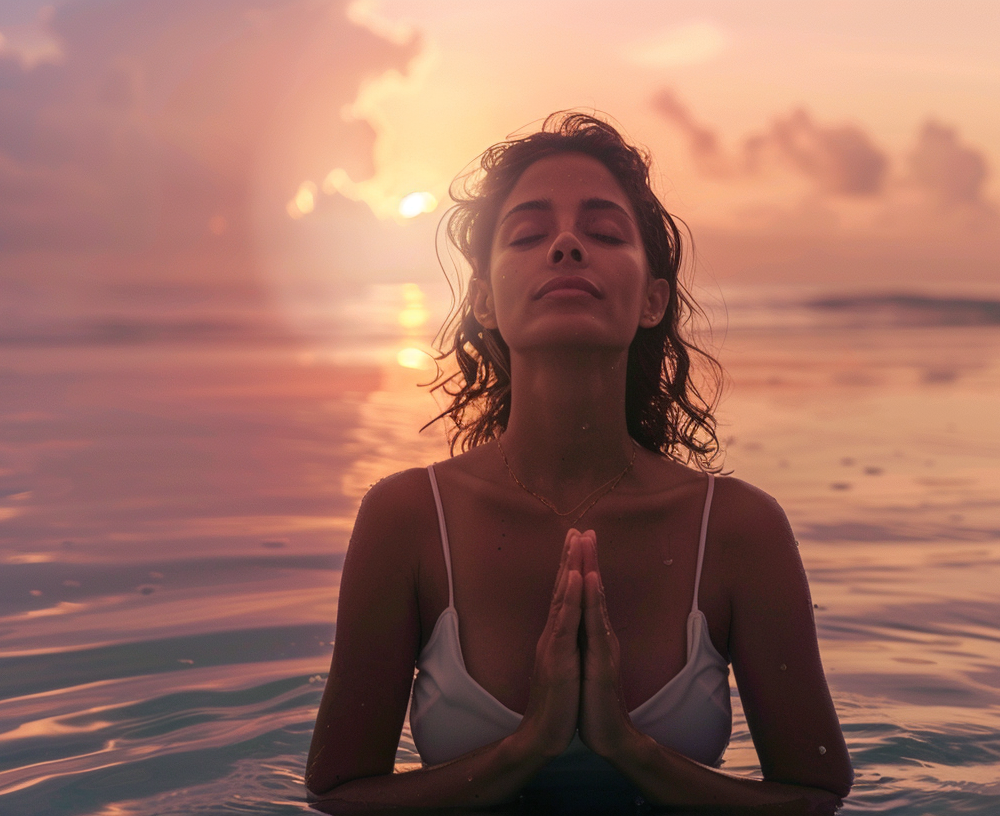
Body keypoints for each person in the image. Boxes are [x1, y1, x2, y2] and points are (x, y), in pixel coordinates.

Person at [306, 112, 853, 813]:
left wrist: (630, 749)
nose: (565, 245)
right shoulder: (408, 519)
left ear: (653, 297)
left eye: (603, 231)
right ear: (484, 300)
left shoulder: (739, 529)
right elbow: (336, 794)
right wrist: (527, 744)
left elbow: (814, 796)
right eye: (529, 234)